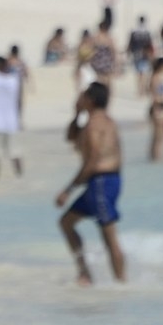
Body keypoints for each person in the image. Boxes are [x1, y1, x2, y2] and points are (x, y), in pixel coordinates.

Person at [58, 82, 126, 286]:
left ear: (91, 100)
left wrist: (68, 190)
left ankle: (121, 284)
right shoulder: (102, 122)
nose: (79, 99)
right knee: (66, 223)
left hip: (101, 182)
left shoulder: (95, 125)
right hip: (102, 182)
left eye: (83, 96)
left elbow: (93, 160)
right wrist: (77, 113)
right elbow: (71, 137)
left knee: (108, 234)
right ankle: (85, 273)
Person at [127, 16, 154, 96]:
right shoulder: (147, 32)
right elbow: (150, 44)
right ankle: (142, 90)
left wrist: (128, 52)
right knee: (143, 73)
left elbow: (130, 43)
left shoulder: (134, 32)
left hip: (136, 54)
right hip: (144, 55)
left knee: (138, 73)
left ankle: (140, 90)